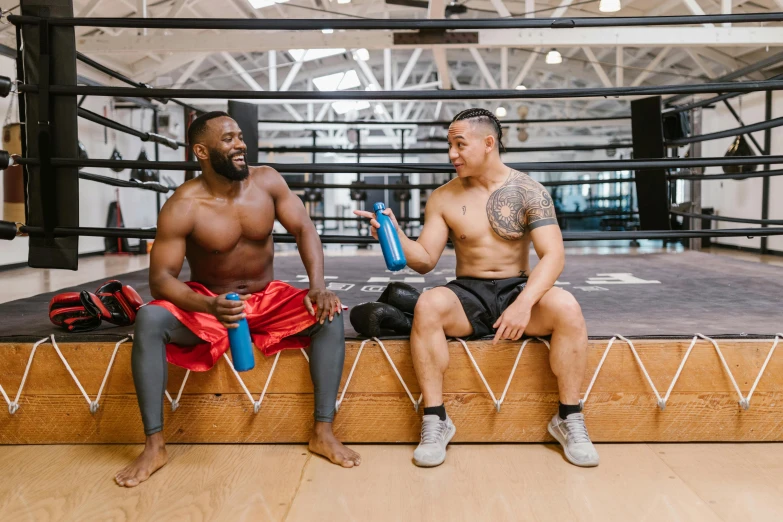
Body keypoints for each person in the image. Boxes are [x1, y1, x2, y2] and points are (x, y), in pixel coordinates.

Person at [115, 112, 360, 488]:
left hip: (268, 297)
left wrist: (317, 285)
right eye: (228, 139)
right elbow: (161, 281)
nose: (240, 145)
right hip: (210, 303)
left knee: (328, 312)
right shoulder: (184, 203)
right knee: (149, 319)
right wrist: (208, 306)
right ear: (201, 150)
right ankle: (154, 444)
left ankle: (323, 431)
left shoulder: (267, 181)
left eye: (240, 137)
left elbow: (304, 228)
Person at [355, 108, 598, 468]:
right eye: (449, 145)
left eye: (459, 144)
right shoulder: (443, 197)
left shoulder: (530, 191)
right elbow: (424, 260)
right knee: (428, 304)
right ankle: (436, 419)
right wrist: (394, 234)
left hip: (518, 287)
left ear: (488, 143)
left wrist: (525, 303)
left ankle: (569, 417)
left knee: (567, 307)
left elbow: (553, 256)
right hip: (469, 292)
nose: (452, 154)